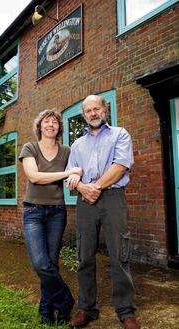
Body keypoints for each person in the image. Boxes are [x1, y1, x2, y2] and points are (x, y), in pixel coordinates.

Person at [66, 95, 140, 329]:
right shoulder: (77, 144)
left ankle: (126, 311)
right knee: (84, 255)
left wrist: (94, 187)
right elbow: (71, 174)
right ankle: (87, 308)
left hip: (112, 198)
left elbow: (120, 166)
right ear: (84, 115)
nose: (93, 113)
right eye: (88, 111)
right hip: (84, 201)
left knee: (120, 254)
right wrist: (80, 185)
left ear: (104, 109)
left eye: (96, 108)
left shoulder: (120, 134)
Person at [18, 109, 82, 325]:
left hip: (56, 212)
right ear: (40, 126)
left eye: (55, 122)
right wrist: (67, 173)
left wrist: (76, 173)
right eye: (47, 121)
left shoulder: (66, 151)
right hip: (33, 212)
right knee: (40, 263)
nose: (51, 125)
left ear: (59, 127)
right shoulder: (30, 147)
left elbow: (78, 170)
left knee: (51, 263)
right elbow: (35, 177)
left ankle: (48, 311)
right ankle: (66, 300)